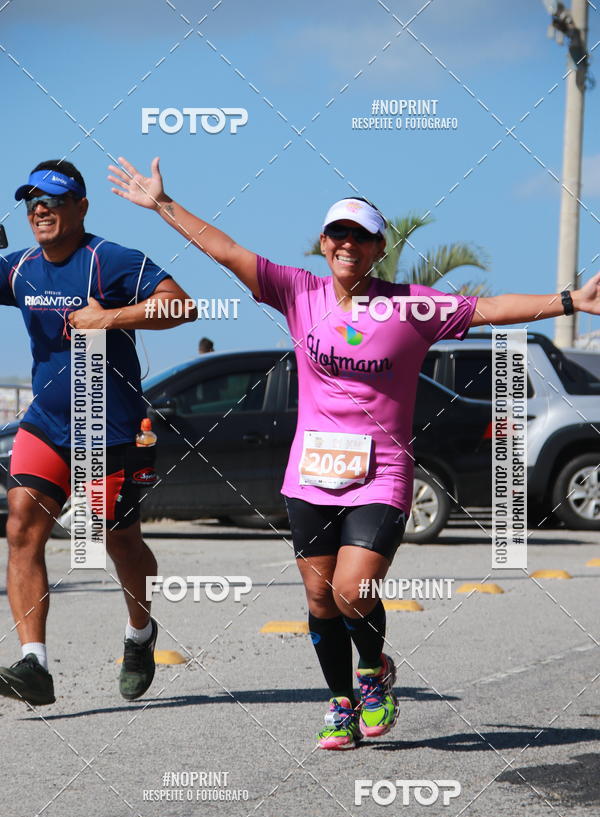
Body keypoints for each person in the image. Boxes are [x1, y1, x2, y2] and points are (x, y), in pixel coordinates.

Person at [109, 155, 600, 749]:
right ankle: (341, 701)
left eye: (361, 236)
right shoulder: (297, 291)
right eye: (338, 233)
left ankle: (374, 672)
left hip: (382, 472)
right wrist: (162, 203)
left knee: (352, 591)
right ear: (324, 243)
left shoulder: (411, 307)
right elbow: (225, 248)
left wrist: (570, 302)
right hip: (310, 473)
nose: (348, 244)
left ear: (377, 247)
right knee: (318, 596)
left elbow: (492, 309)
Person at [0, 159, 195, 707]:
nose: (41, 209)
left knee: (116, 540)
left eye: (54, 200)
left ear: (81, 208)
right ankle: (34, 664)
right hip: (45, 424)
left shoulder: (109, 260)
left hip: (109, 430)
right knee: (21, 529)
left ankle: (140, 635)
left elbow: (183, 305)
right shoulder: (18, 268)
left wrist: (108, 318)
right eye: (32, 201)